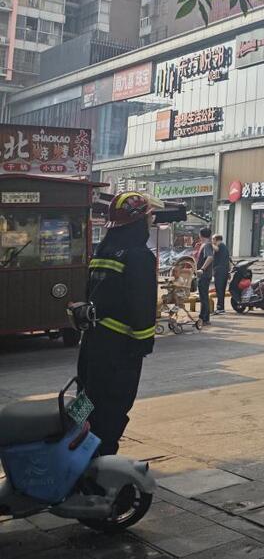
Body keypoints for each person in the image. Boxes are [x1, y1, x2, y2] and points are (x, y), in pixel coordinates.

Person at [78, 192, 161, 456]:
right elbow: (142, 304)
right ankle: (101, 468)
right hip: (119, 350)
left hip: (92, 343)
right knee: (113, 406)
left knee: (87, 400)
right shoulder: (139, 255)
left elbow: (88, 293)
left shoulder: (103, 250)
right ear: (139, 221)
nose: (151, 221)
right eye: (149, 216)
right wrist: (144, 343)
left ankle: (77, 454)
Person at [195, 227, 214, 325]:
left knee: (203, 297)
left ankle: (204, 318)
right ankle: (205, 318)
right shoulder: (204, 245)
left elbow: (210, 257)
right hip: (204, 275)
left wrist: (202, 269)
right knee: (203, 296)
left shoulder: (206, 245)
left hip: (204, 275)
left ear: (200, 235)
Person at [211, 234, 230, 313]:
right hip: (224, 270)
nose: (212, 241)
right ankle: (221, 307)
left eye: (213, 239)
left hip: (220, 271)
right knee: (221, 290)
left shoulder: (220, 246)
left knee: (219, 290)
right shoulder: (225, 247)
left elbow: (216, 249)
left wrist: (209, 244)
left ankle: (220, 308)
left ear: (216, 239)